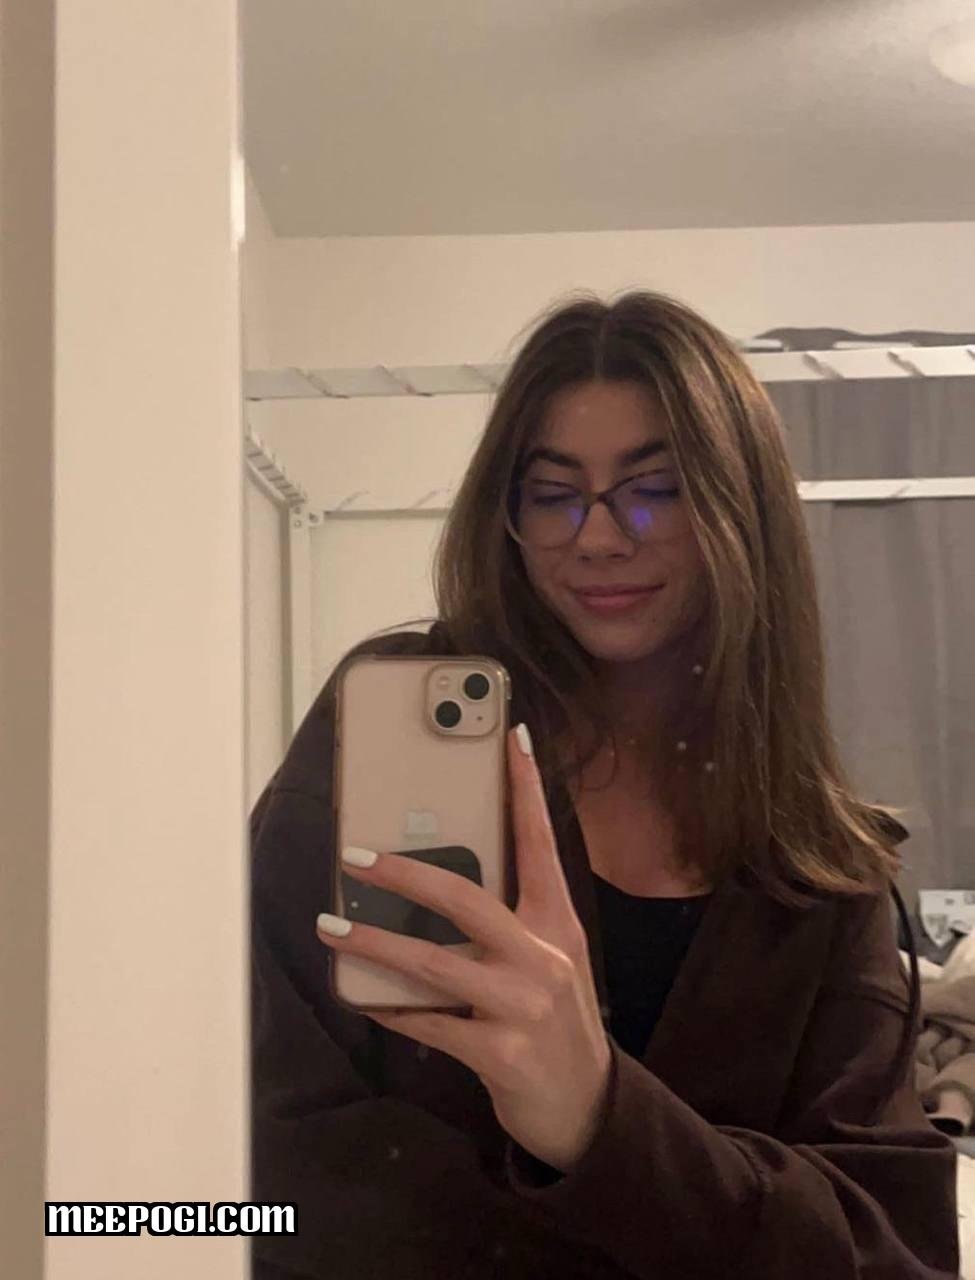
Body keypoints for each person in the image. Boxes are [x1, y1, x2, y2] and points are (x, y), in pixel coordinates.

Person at [249, 291, 959, 1279]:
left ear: (738, 509)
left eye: (655, 488)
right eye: (551, 493)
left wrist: (597, 1117)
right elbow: (268, 1168)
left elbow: (895, 1253)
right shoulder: (383, 735)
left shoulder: (820, 865)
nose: (597, 536)